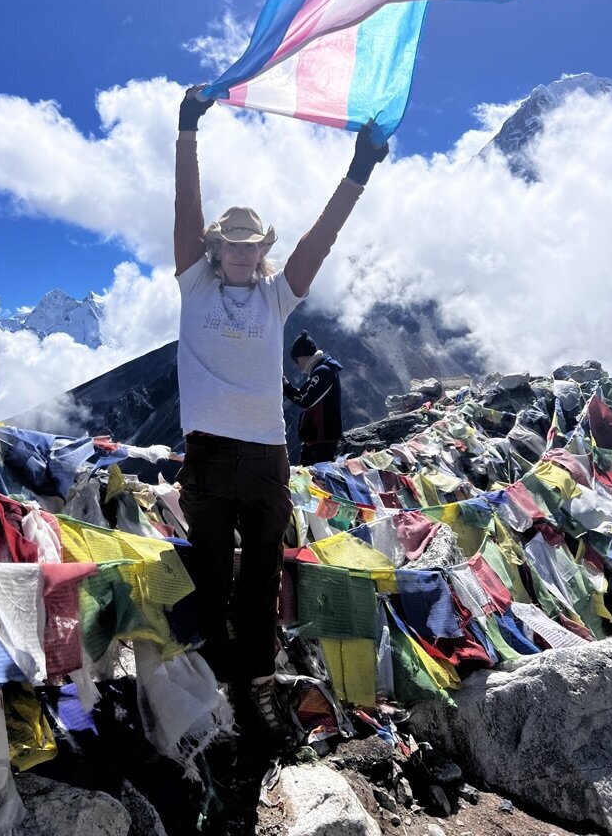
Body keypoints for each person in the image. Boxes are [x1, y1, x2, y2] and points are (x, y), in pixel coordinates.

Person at [173, 85, 387, 739]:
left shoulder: (277, 296)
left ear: (263, 251)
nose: (240, 254)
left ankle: (257, 690)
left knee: (261, 579)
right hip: (209, 454)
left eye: (250, 246)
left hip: (267, 457)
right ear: (215, 250)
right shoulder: (192, 280)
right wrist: (187, 132)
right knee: (211, 576)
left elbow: (321, 240)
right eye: (230, 245)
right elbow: (186, 208)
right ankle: (220, 687)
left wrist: (359, 170)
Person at [283, 330, 343, 466]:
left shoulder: (323, 372)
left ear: (302, 356)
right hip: (319, 439)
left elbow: (305, 400)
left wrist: (285, 385)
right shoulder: (323, 369)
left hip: (322, 440)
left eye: (295, 359)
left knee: (317, 482)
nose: (296, 364)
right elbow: (304, 394)